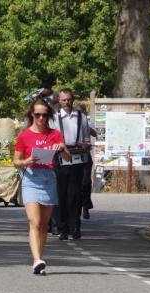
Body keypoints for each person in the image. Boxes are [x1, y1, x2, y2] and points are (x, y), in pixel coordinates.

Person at [14, 98, 70, 275]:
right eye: (37, 115)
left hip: (49, 177)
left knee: (44, 225)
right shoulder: (24, 135)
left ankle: (39, 257)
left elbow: (68, 158)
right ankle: (37, 259)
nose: (40, 119)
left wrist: (62, 148)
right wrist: (26, 161)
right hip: (31, 177)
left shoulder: (54, 134)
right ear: (32, 114)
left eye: (44, 115)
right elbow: (16, 161)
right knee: (35, 222)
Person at [49, 88, 91, 240]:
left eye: (69, 99)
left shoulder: (81, 116)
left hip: (77, 157)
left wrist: (85, 145)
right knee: (61, 195)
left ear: (72, 99)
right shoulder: (53, 118)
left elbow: (87, 138)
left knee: (75, 194)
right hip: (60, 158)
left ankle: (75, 227)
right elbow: (49, 138)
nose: (66, 102)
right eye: (63, 100)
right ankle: (62, 228)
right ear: (58, 101)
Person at [73, 103, 97, 220]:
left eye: (81, 112)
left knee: (86, 182)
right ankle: (75, 206)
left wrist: (85, 125)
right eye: (76, 112)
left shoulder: (87, 122)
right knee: (75, 183)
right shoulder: (70, 122)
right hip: (73, 155)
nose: (78, 114)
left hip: (85, 154)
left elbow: (95, 133)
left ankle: (85, 206)